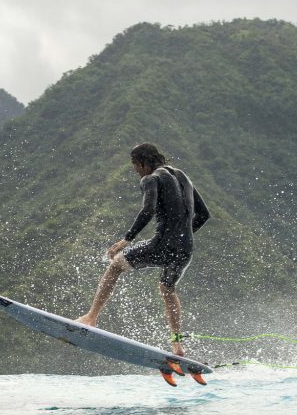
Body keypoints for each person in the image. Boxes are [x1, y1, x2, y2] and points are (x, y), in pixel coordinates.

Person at [76, 143, 210, 356]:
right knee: (167, 289)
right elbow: (204, 215)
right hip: (186, 249)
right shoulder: (183, 177)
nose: (136, 171)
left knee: (115, 265)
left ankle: (91, 317)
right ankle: (177, 345)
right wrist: (182, 236)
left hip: (163, 244)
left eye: (135, 166)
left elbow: (147, 210)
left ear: (141, 163)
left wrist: (126, 240)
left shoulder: (150, 179)